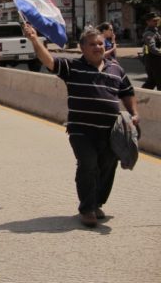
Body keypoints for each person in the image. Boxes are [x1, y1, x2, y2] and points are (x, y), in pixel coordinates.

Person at [24, 23, 139, 227]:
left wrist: (134, 114)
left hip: (111, 131)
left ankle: (96, 203)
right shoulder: (72, 67)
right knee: (88, 165)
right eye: (93, 44)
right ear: (82, 48)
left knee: (106, 168)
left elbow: (127, 92)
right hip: (81, 131)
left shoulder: (116, 69)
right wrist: (34, 39)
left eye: (100, 43)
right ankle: (86, 209)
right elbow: (49, 61)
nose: (98, 47)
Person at [141, 12, 161, 90]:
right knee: (158, 81)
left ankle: (140, 96)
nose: (156, 22)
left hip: (155, 60)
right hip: (153, 61)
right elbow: (152, 49)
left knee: (151, 82)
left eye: (156, 20)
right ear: (148, 22)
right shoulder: (148, 33)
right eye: (154, 20)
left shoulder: (155, 31)